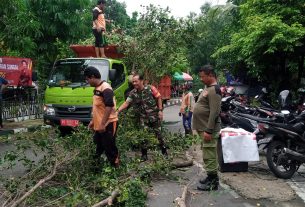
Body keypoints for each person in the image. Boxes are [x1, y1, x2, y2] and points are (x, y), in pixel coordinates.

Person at [117, 73, 167, 161]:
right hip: (143, 118)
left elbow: (159, 98)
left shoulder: (151, 88)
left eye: (136, 81)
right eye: (133, 82)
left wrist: (160, 111)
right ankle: (144, 155)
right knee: (143, 136)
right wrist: (117, 111)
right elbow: (126, 103)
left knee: (159, 135)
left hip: (154, 116)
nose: (134, 83)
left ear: (141, 81)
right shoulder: (133, 93)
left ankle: (164, 152)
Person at [192, 65, 222, 191]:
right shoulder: (208, 88)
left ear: (210, 75)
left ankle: (213, 182)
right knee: (206, 153)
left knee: (209, 154)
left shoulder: (215, 90)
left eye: (203, 76)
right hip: (203, 127)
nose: (201, 79)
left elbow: (215, 112)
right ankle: (210, 176)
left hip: (207, 128)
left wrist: (209, 130)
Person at [84, 66, 119, 169]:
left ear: (93, 77)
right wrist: (93, 121)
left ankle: (115, 169)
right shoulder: (97, 89)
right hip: (99, 125)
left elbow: (109, 106)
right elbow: (98, 108)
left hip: (108, 124)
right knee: (97, 147)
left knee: (110, 148)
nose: (87, 82)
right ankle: (96, 169)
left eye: (87, 79)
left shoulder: (106, 88)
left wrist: (103, 123)